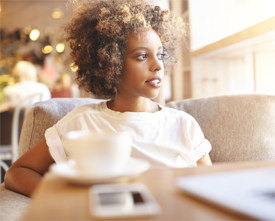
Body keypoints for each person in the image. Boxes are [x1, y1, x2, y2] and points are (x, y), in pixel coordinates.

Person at [4, 0, 212, 197]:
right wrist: (64, 199)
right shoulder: (82, 122)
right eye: (142, 56)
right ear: (111, 62)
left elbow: (212, 186)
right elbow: (17, 172)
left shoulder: (184, 124)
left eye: (160, 54)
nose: (158, 65)